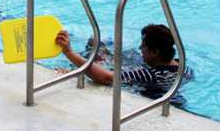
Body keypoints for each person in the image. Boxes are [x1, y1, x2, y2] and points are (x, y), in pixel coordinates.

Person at [55, 25, 186, 102]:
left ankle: (76, 67)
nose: (140, 48)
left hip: (140, 86)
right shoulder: (183, 68)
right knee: (96, 44)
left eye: (144, 46)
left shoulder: (151, 75)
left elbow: (107, 78)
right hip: (139, 73)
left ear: (155, 52)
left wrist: (68, 52)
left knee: (95, 48)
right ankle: (99, 53)